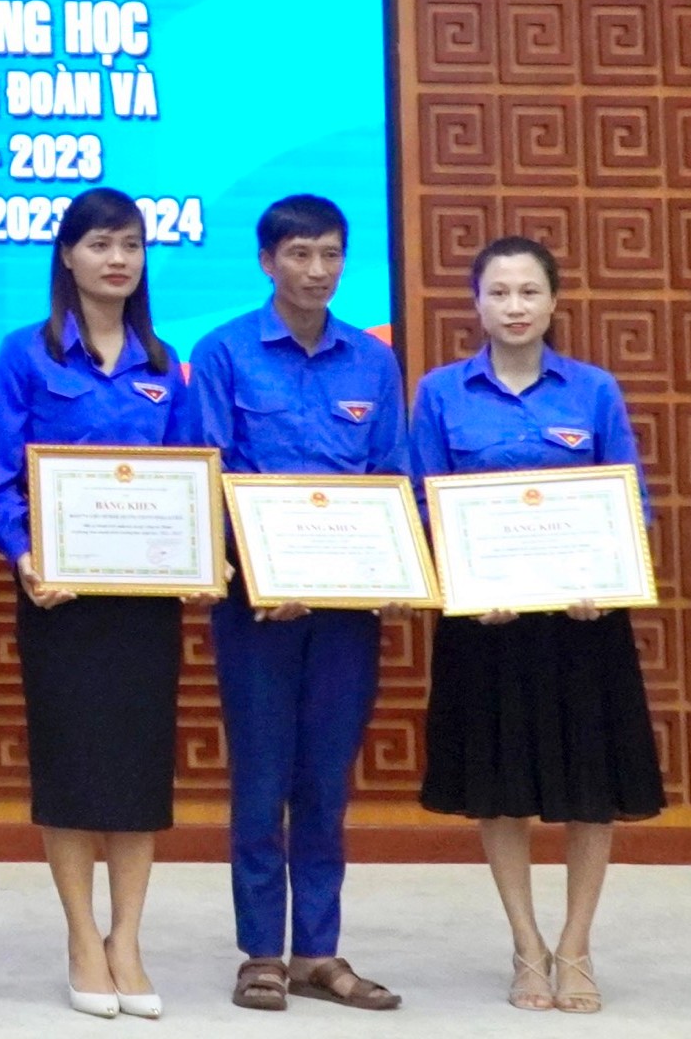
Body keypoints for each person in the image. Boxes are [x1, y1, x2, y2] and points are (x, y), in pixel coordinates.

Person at [411, 235, 663, 1015]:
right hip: (485, 624)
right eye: (498, 292)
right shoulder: (439, 394)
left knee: (590, 790)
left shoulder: (592, 391)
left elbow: (629, 501)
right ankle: (525, 945)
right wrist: (464, 583)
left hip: (581, 624)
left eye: (528, 292)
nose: (513, 307)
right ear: (475, 304)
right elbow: (423, 502)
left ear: (553, 302)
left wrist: (605, 582)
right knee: (499, 789)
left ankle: (576, 945)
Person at [0, 186, 208, 1020]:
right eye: (100, 244)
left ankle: (127, 940)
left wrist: (196, 553)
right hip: (60, 599)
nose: (117, 259)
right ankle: (82, 936)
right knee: (72, 768)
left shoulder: (162, 364)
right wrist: (24, 556)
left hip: (143, 604)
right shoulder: (24, 355)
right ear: (67, 257)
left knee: (139, 772)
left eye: (131, 245)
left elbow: (189, 474)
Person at [191, 195, 406, 1013]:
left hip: (346, 611)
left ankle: (317, 950)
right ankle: (259, 952)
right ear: (266, 261)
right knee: (260, 776)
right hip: (257, 607)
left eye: (330, 255)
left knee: (324, 779)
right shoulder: (222, 353)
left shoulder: (372, 362)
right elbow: (209, 473)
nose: (316, 271)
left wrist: (395, 573)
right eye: (299, 254)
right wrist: (260, 574)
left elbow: (390, 476)